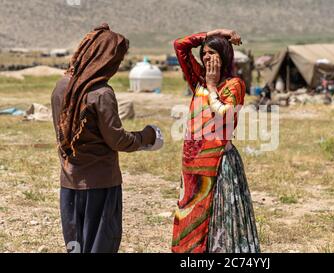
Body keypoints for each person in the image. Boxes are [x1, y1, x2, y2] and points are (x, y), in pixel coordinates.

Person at [50, 24, 163, 253]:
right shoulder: (101, 93)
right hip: (100, 185)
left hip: (69, 183)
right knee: (101, 244)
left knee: (76, 245)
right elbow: (117, 140)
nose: (116, 66)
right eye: (117, 60)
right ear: (104, 58)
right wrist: (146, 136)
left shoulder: (62, 87)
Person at [171, 29, 260, 253]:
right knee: (191, 215)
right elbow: (180, 45)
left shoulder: (234, 85)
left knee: (218, 217)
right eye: (204, 53)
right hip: (192, 165)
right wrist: (217, 32)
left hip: (218, 163)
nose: (206, 57)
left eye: (213, 53)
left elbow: (225, 114)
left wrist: (211, 87)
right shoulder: (198, 80)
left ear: (225, 55)